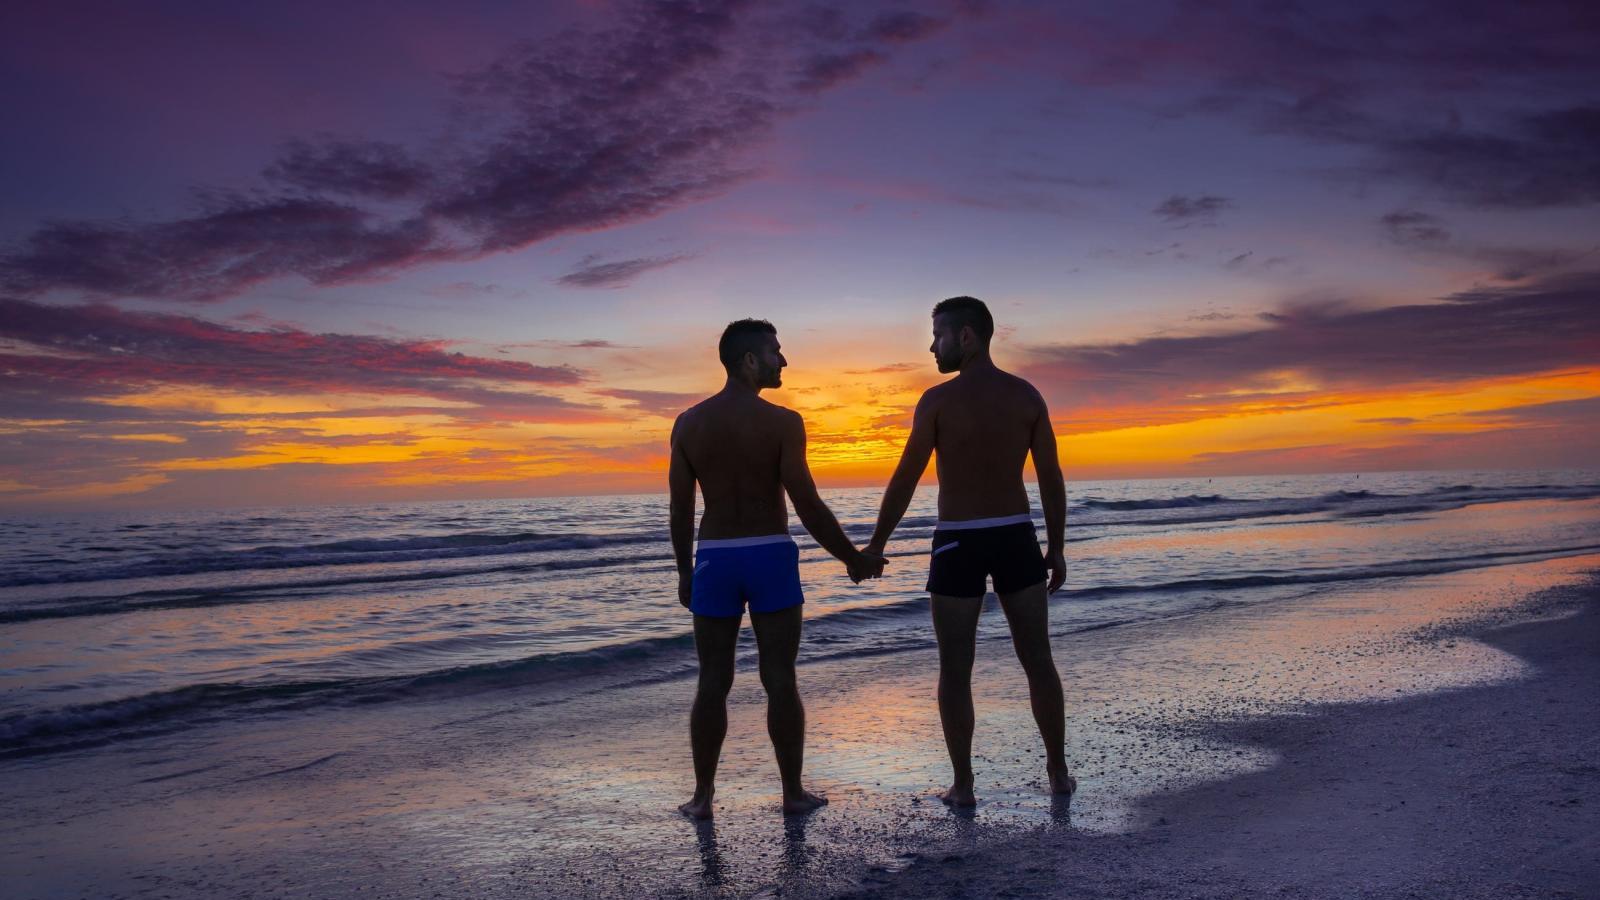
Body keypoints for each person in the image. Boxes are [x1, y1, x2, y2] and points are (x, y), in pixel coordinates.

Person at [670, 318, 885, 819]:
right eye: (775, 352)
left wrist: (685, 572)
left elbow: (680, 511)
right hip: (769, 553)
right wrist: (852, 558)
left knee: (711, 682)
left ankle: (702, 799)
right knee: (780, 677)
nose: (783, 361)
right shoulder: (784, 423)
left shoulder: (688, 423)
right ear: (749, 360)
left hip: (716, 558)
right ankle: (792, 793)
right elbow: (807, 504)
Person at [864, 296, 1073, 806]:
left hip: (957, 539)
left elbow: (907, 476)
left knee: (955, 669)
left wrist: (876, 544)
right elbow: (1050, 478)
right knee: (1038, 661)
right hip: (1016, 536)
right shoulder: (1026, 396)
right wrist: (1057, 547)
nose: (931, 346)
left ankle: (963, 786)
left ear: (966, 337)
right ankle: (1058, 773)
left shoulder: (936, 401)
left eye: (937, 335)